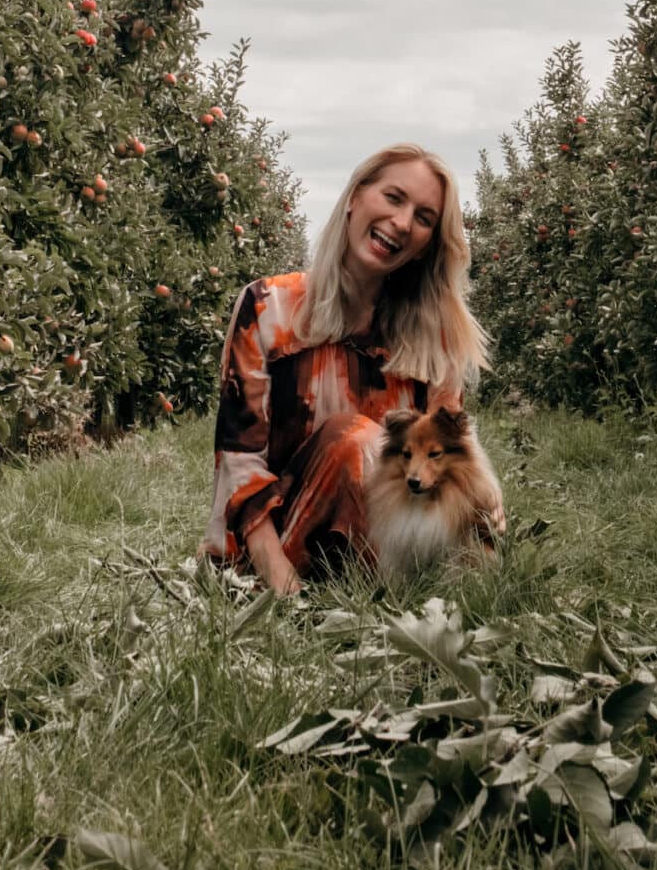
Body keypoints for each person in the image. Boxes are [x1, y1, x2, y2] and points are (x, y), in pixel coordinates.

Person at [201, 142, 489, 592]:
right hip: (270, 554)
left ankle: (393, 594)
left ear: (425, 246)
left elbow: (450, 465)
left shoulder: (432, 339)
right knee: (356, 441)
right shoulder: (268, 306)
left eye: (423, 217)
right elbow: (240, 459)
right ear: (355, 196)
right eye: (394, 198)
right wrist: (281, 583)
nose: (402, 222)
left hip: (380, 558)